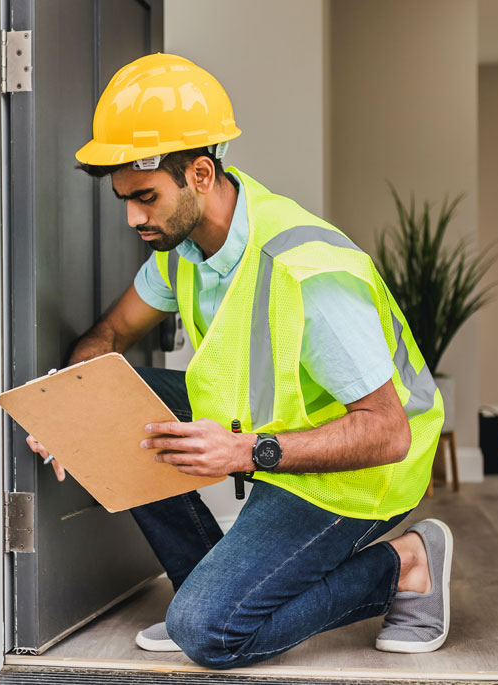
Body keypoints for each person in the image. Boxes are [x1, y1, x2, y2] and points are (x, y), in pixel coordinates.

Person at [25, 53, 450, 669]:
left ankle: (408, 562)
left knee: (209, 633)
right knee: (116, 401)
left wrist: (248, 452)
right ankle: (211, 584)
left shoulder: (307, 272)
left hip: (359, 474)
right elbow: (110, 333)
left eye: (145, 197)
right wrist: (74, 411)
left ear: (200, 174)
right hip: (274, 438)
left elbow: (387, 432)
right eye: (125, 199)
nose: (132, 218)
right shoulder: (182, 248)